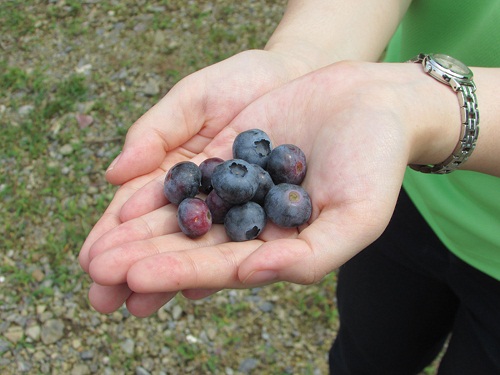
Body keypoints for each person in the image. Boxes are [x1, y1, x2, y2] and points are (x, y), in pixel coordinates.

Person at [79, 0, 500, 373]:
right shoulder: (238, 183)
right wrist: (302, 58)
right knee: (366, 352)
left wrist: (423, 107)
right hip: (403, 192)